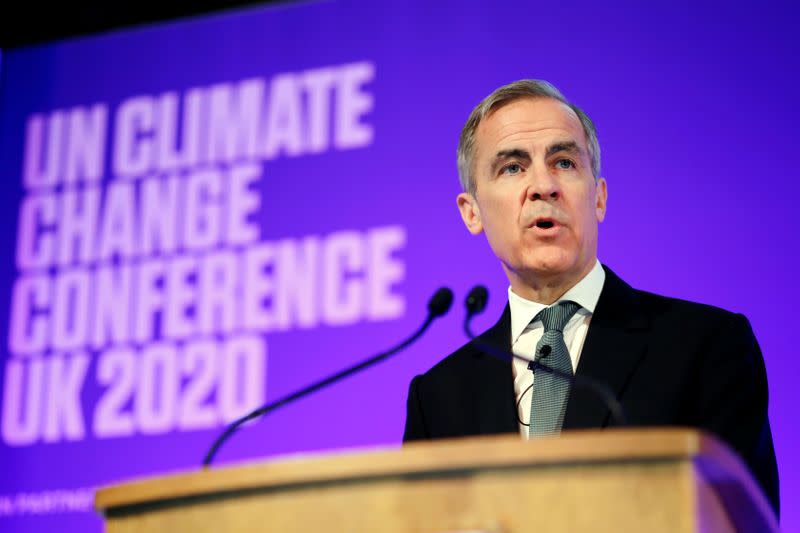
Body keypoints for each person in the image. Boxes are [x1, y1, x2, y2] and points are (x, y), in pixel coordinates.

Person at [402, 80, 780, 516]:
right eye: (512, 168)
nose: (543, 186)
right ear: (472, 212)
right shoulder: (438, 397)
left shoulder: (707, 346)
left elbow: (740, 520)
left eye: (564, 162)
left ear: (598, 198)